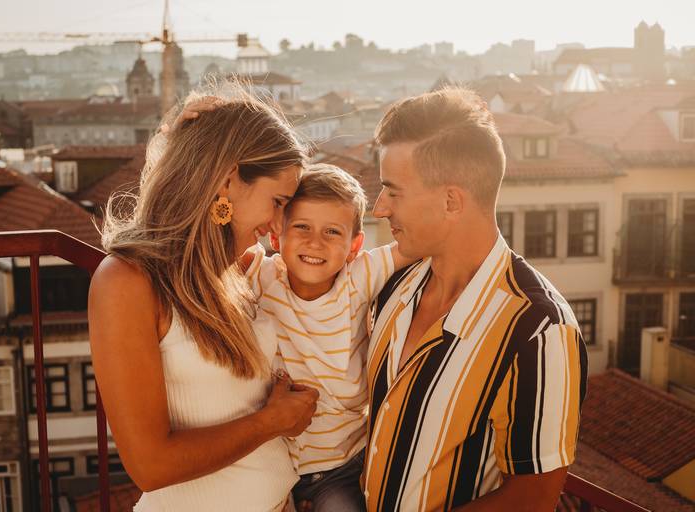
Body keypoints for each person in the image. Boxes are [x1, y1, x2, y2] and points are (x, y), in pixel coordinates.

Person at [88, 92, 319, 511]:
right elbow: (150, 465)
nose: (277, 226)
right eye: (278, 202)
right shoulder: (126, 282)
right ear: (227, 180)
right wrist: (272, 422)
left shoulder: (243, 270)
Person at [362, 87, 588, 511]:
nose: (380, 208)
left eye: (393, 192)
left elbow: (532, 500)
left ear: (451, 201)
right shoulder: (393, 286)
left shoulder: (541, 329)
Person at [243, 165, 414, 511]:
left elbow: (417, 243)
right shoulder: (263, 277)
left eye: (332, 232)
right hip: (272, 462)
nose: (314, 242)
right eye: (301, 227)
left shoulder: (358, 278)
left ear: (354, 246)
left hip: (340, 466)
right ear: (277, 236)